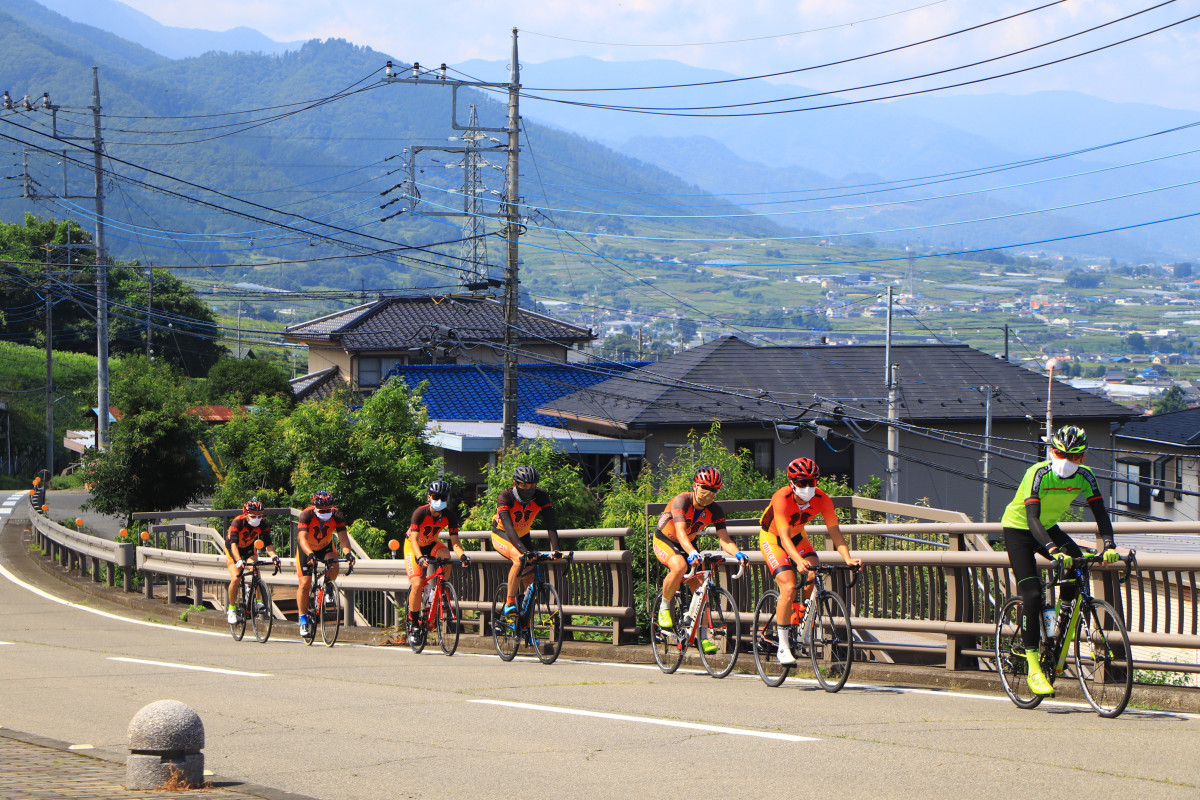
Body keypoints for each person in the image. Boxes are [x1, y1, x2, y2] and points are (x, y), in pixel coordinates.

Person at [1000, 425, 1120, 696]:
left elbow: (1101, 514)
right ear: (1051, 452)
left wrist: (1110, 545)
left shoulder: (1086, 477)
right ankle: (1033, 668)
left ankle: (1058, 627)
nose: (1066, 462)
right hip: (1019, 529)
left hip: (1049, 526)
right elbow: (1031, 518)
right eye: (1060, 454)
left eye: (1074, 457)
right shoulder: (1038, 473)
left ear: (1083, 458)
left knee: (1077, 561)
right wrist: (1053, 549)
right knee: (1031, 594)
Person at [759, 458, 862, 665]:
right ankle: (783, 646)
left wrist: (848, 558)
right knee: (788, 586)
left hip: (798, 537)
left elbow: (835, 531)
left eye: (812, 482)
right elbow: (784, 537)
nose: (808, 487)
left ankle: (802, 618)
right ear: (792, 483)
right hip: (773, 538)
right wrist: (797, 560)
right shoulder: (782, 497)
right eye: (802, 483)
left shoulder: (822, 498)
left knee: (814, 572)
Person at [653, 466, 748, 654]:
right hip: (665, 539)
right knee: (679, 566)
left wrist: (737, 553)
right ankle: (664, 607)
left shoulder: (716, 509)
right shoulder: (682, 500)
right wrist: (690, 552)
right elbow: (680, 532)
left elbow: (724, 538)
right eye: (705, 487)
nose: (709, 493)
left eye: (714, 490)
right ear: (695, 486)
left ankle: (703, 637)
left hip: (688, 542)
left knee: (702, 588)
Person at [491, 465, 562, 618]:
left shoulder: (542, 496)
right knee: (519, 560)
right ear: (515, 483)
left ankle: (525, 622)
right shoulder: (506, 497)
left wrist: (556, 549)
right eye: (524, 486)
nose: (528, 489)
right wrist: (524, 552)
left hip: (523, 535)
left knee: (530, 576)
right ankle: (509, 602)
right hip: (502, 533)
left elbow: (550, 525)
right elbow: (509, 529)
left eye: (532, 486)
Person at [405, 480, 469, 636]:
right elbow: (413, 540)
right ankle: (413, 623)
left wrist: (463, 557)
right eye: (436, 497)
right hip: (413, 546)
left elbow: (455, 543)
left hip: (432, 543)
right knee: (418, 582)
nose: (439, 501)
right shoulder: (420, 513)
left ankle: (440, 588)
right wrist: (419, 558)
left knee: (446, 555)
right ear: (429, 497)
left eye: (443, 498)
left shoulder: (450, 515)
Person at [296, 490, 355, 637]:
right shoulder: (306, 515)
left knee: (334, 563)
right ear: (314, 506)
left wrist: (348, 553)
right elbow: (302, 538)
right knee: (305, 583)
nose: (325, 512)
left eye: (328, 509)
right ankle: (303, 619)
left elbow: (343, 539)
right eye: (322, 510)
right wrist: (309, 553)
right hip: (307, 548)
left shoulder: (337, 515)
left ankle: (328, 588)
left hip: (325, 546)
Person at [224, 499, 280, 624]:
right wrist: (238, 560)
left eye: (259, 515)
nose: (257, 518)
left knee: (256, 571)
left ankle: (259, 602)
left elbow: (269, 544)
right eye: (253, 516)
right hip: (233, 549)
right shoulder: (237, 522)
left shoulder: (263, 523)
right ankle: (231, 609)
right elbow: (233, 545)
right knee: (236, 578)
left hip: (249, 548)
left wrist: (274, 556)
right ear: (246, 514)